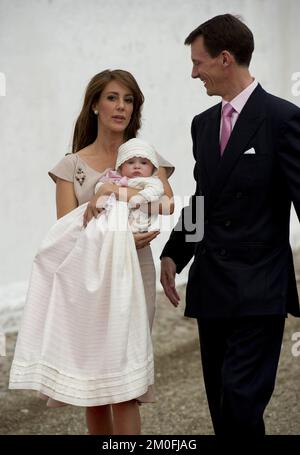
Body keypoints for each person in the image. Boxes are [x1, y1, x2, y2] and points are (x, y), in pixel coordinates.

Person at [9, 69, 175, 435]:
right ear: (95, 106)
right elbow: (65, 236)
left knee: (125, 388)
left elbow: (167, 203)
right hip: (85, 283)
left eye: (129, 99)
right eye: (113, 98)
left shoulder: (146, 158)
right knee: (95, 389)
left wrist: (119, 203)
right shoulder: (71, 166)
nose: (121, 107)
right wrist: (118, 238)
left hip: (133, 276)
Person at [160, 14, 300, 436]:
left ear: (225, 59)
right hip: (214, 287)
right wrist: (174, 253)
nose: (193, 72)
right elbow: (205, 199)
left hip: (260, 289)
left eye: (198, 62)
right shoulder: (203, 125)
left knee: (241, 403)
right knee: (223, 407)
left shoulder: (282, 119)